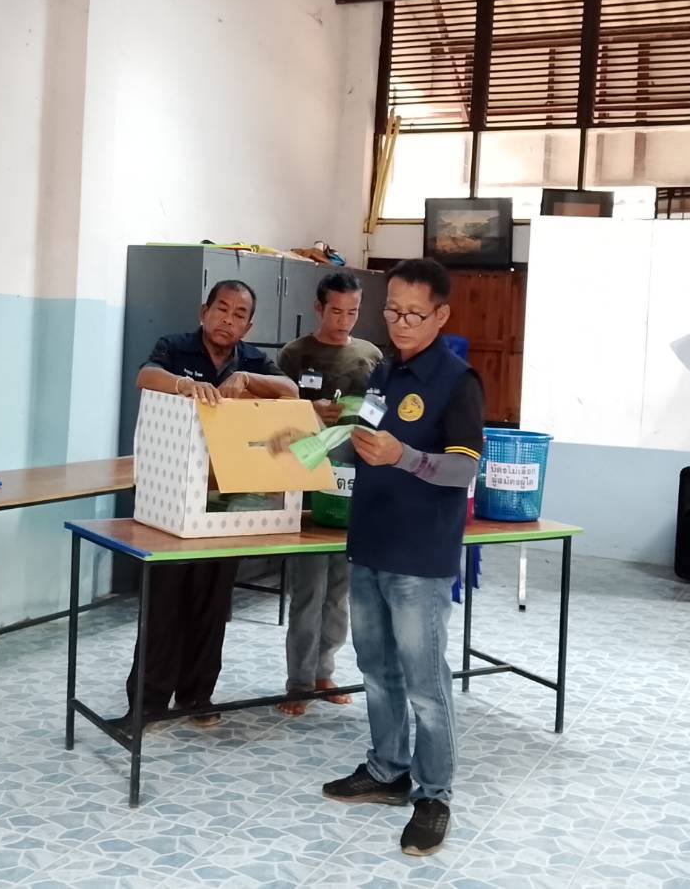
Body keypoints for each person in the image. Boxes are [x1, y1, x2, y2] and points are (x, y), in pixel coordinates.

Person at [320, 258, 485, 858]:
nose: (401, 322)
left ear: (441, 315)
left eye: (414, 314)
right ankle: (387, 770)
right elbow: (364, 439)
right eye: (392, 310)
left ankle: (434, 794)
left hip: (419, 556)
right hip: (370, 543)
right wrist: (313, 438)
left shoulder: (458, 381)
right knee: (376, 668)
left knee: (424, 683)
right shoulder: (383, 371)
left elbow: (463, 469)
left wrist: (405, 457)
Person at [125, 279, 298, 727]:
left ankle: (197, 696)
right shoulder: (175, 347)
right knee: (165, 602)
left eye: (239, 314)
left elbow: (291, 392)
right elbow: (145, 376)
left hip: (227, 501)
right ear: (204, 312)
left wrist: (248, 379)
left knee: (212, 603)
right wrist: (183, 384)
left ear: (249, 326)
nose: (228, 319)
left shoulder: (253, 360)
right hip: (173, 501)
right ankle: (147, 702)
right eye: (221, 309)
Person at [275, 271, 382, 717]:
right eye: (335, 311)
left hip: (352, 487)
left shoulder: (370, 355)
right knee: (308, 587)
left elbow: (381, 412)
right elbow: (275, 414)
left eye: (352, 312)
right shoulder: (294, 354)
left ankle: (324, 672)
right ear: (318, 308)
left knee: (339, 588)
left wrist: (361, 416)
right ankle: (298, 682)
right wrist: (309, 410)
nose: (344, 320)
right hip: (307, 485)